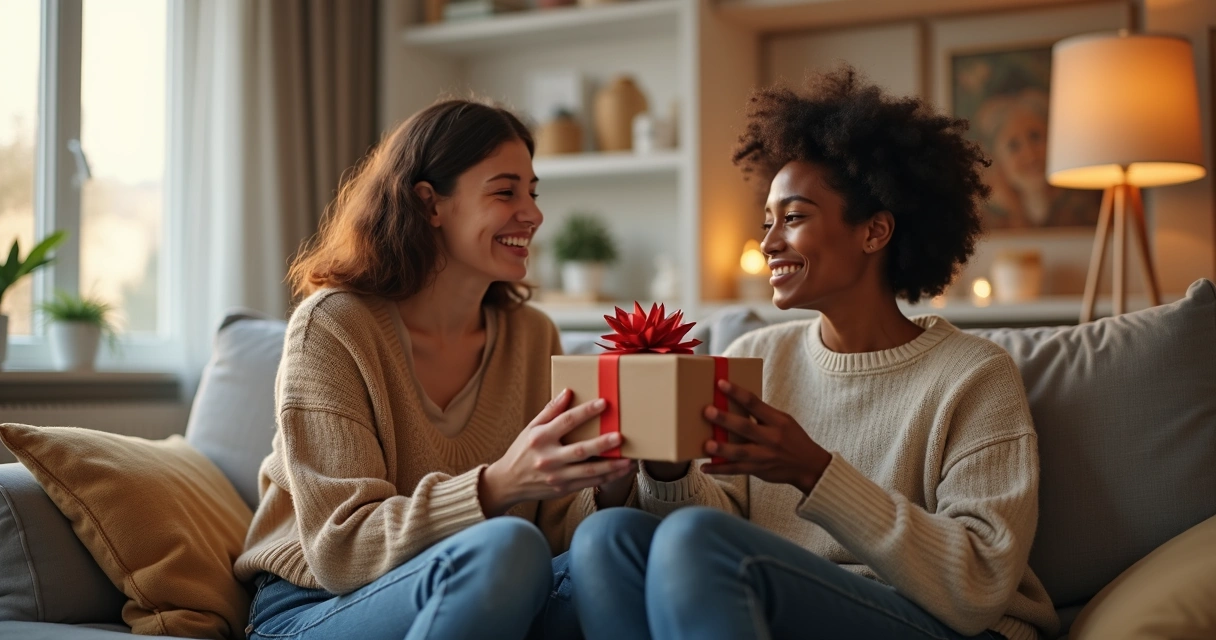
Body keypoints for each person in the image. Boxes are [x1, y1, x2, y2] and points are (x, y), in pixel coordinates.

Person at [569, 67, 1060, 640]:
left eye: (794, 218)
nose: (769, 242)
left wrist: (813, 471)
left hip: (934, 623)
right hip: (780, 610)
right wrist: (668, 466)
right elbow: (707, 535)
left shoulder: (974, 376)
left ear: (874, 232)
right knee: (605, 538)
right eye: (768, 221)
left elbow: (978, 583)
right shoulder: (758, 354)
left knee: (695, 542)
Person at [233, 99, 639, 640]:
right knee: (507, 547)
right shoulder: (333, 328)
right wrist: (495, 486)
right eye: (505, 191)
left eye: (533, 193)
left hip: (492, 585)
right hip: (316, 606)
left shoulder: (532, 334)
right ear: (429, 204)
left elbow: (556, 530)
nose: (534, 214)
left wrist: (609, 483)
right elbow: (340, 550)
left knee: (614, 540)